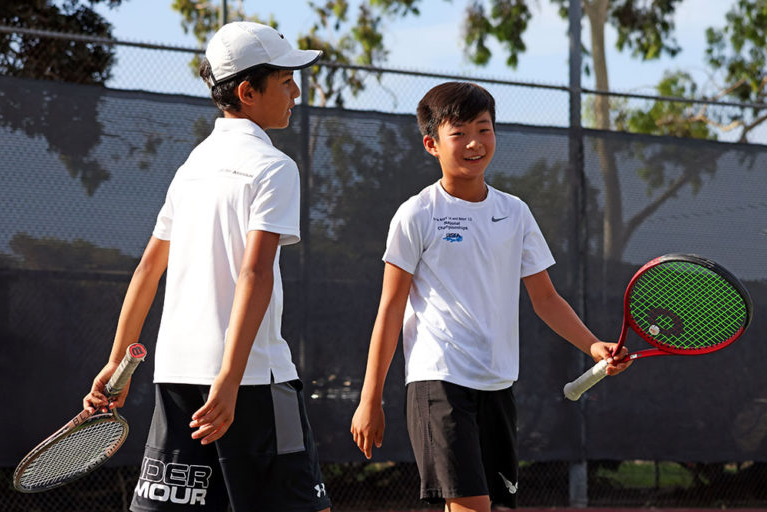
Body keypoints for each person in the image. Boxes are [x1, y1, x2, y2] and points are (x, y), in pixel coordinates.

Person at [349, 81, 631, 512]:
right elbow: (390, 309)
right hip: (438, 381)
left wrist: (593, 346)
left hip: (498, 385)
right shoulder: (416, 214)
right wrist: (370, 397)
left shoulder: (515, 212)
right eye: (458, 133)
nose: (474, 143)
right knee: (473, 508)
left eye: (484, 129)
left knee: (489, 507)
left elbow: (547, 299)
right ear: (432, 144)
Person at [84, 21, 331, 512]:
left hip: (175, 377)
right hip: (253, 380)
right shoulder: (276, 167)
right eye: (285, 81)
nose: (296, 92)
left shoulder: (191, 166)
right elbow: (255, 274)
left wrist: (118, 363)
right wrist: (230, 379)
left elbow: (148, 269)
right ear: (247, 91)